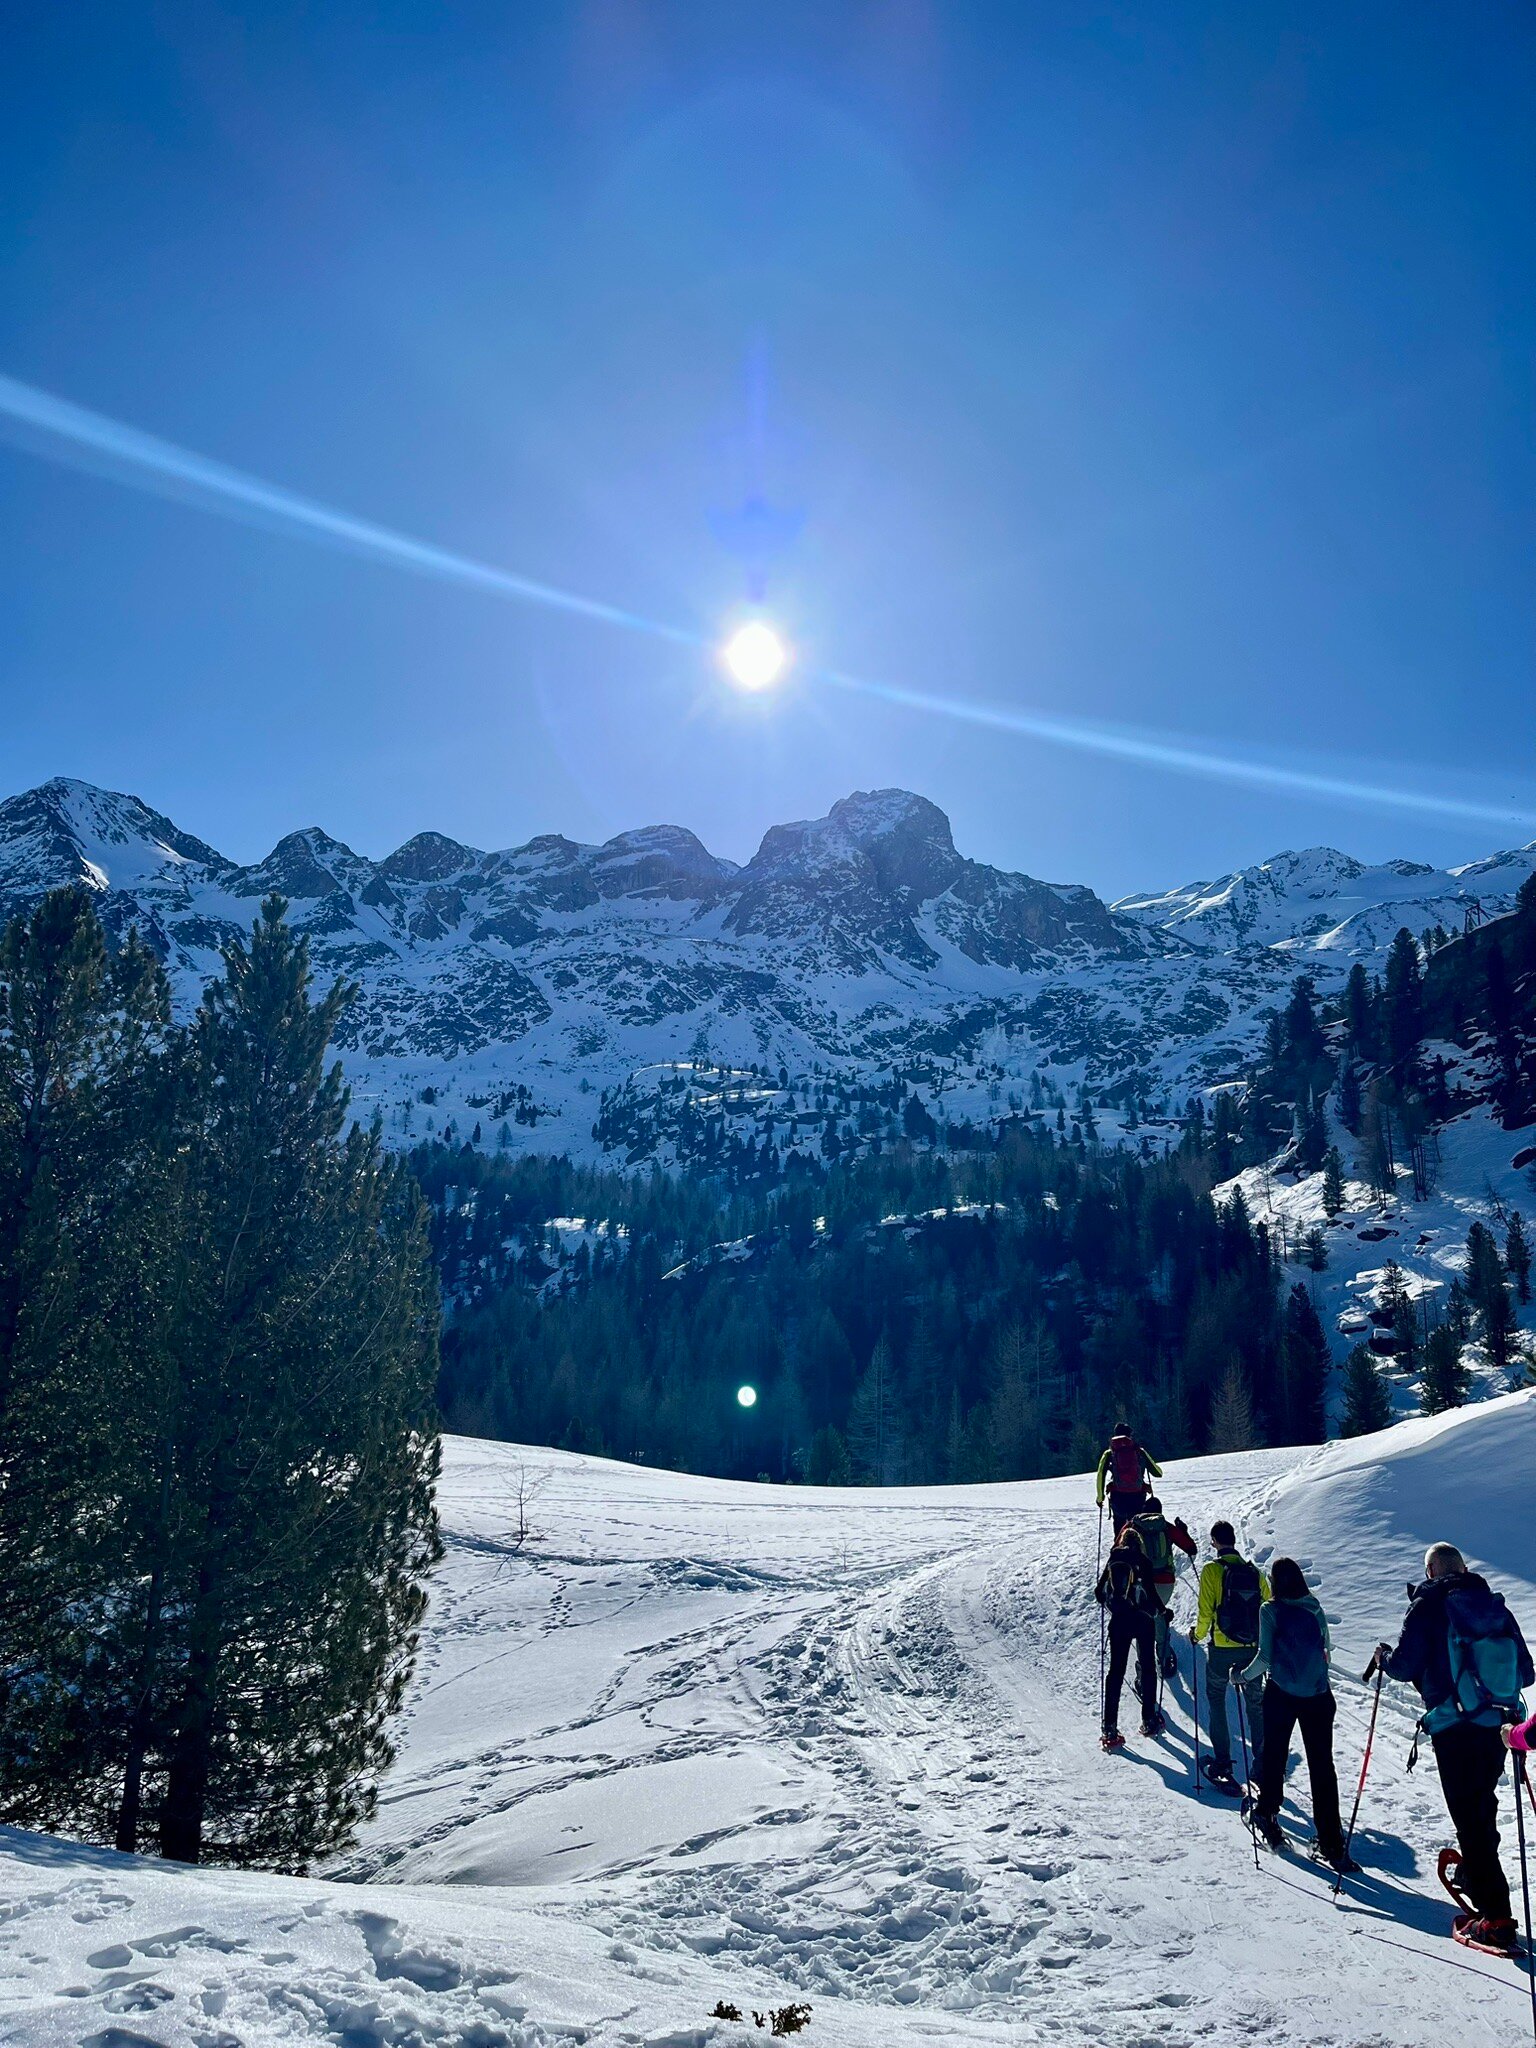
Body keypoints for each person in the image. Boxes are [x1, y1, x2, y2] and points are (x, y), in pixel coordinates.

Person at [1371, 1542, 1534, 1955]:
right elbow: (1527, 1672)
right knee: (1480, 1804)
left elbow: (1405, 1665)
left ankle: (1495, 1918)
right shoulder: (1491, 1602)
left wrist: (1385, 1657)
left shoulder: (1428, 1603)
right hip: (1498, 1724)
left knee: (1469, 1815)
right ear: (1464, 1567)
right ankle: (1481, 1878)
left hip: (1454, 1725)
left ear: (1430, 1572)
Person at [1238, 1557, 1355, 1870]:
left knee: (1276, 1754)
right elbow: (1327, 1648)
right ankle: (1331, 1838)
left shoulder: (1271, 1609)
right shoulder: (1313, 1606)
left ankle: (1267, 1813)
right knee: (1322, 1764)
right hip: (1318, 1695)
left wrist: (1242, 1677)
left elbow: (1264, 1657)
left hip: (1282, 1694)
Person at [1191, 1521, 1269, 1789]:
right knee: (1255, 1703)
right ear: (1234, 1540)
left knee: (1216, 1699)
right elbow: (1267, 1608)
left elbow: (1205, 1611)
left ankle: (1223, 1761)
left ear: (1214, 1541)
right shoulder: (1255, 1572)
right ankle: (1263, 1763)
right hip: (1251, 1649)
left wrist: (1197, 1636)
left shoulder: (1212, 1570)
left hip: (1222, 1647)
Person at [1095, 1523, 1163, 1750]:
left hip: (1119, 1622)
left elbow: (1098, 1593)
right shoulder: (1143, 1561)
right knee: (1148, 1667)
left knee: (1116, 1672)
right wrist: (1163, 1612)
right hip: (1143, 1621)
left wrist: (1113, 1604)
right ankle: (1149, 1720)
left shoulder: (1113, 1559)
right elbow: (1152, 1595)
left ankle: (1109, 1726)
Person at [1132, 1495, 1197, 1678]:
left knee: (1144, 1619)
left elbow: (1117, 1550)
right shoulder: (1166, 1527)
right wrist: (1184, 1532)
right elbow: (1191, 1549)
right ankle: (1164, 1658)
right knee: (1159, 1614)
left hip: (1141, 1583)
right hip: (1165, 1582)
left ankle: (1144, 1670)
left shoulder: (1132, 1527)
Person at [1095, 1423, 1162, 1534]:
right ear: (1130, 1435)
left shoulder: (1109, 1453)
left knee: (1119, 1529)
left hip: (1118, 1498)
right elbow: (1158, 1473)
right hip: (1137, 1497)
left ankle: (1119, 1547)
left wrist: (1100, 1497)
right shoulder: (1139, 1452)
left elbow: (1100, 1475)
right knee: (1138, 1528)